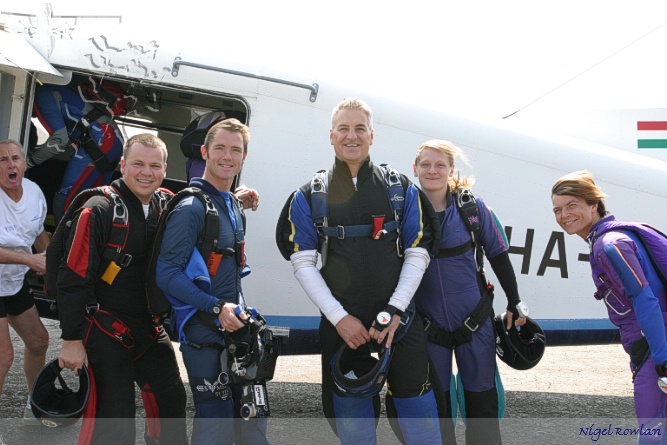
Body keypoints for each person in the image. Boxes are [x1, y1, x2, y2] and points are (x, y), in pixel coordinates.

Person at [276, 98, 442, 444]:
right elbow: (302, 262)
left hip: (400, 323)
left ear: (372, 135)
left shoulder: (400, 190)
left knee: (418, 414)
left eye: (360, 129)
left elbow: (418, 252)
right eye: (344, 129)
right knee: (352, 422)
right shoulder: (309, 196)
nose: (352, 136)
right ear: (331, 136)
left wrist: (395, 310)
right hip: (344, 327)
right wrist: (339, 319)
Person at [55, 134, 187, 445]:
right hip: (104, 329)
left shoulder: (166, 203)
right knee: (115, 420)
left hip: (150, 328)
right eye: (138, 164)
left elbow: (204, 204)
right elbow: (72, 277)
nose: (146, 172)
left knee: (172, 403)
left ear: (165, 169)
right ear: (123, 165)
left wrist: (237, 198)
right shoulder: (98, 209)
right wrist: (71, 340)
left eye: (154, 166)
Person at [156, 118, 267, 445]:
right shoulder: (191, 207)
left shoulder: (232, 204)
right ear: (205, 151)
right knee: (215, 419)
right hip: (203, 331)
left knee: (248, 418)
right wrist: (216, 307)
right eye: (220, 148)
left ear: (244, 157)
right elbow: (167, 273)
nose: (227, 156)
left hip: (233, 329)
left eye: (236, 150)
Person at [411, 140, 528, 444]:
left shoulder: (473, 210)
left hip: (475, 324)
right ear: (415, 169)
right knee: (438, 411)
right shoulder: (406, 213)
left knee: (482, 409)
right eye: (426, 164)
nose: (432, 170)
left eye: (440, 165)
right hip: (427, 327)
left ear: (451, 169)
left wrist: (515, 301)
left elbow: (499, 255)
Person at [551, 170, 667, 444]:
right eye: (557, 209)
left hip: (654, 347)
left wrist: (662, 363)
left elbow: (644, 300)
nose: (564, 215)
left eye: (572, 205)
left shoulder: (609, 245)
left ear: (594, 205)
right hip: (653, 344)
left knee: (652, 433)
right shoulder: (620, 235)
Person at [29, 76, 127, 224]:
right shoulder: (55, 88)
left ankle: (60, 245)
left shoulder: (42, 94)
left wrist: (29, 162)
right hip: (113, 139)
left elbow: (60, 139)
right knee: (94, 202)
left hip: (100, 140)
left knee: (64, 199)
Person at [0, 140, 50, 425]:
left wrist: (51, 262)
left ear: (24, 163)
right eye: (3, 160)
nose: (11, 165)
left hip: (13, 283)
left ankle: (36, 405)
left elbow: (38, 233)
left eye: (15, 158)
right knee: (3, 356)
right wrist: (30, 261)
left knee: (39, 341)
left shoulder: (33, 192)